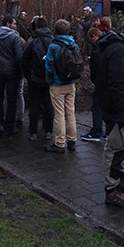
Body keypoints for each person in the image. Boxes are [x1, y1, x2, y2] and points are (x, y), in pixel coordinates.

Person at [94, 18, 124, 209]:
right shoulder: (119, 51)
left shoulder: (117, 48)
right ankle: (112, 189)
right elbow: (117, 83)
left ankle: (118, 179)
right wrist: (122, 109)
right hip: (116, 110)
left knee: (120, 146)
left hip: (116, 108)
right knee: (114, 148)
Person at [44, 19, 78, 153]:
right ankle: (72, 140)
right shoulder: (74, 45)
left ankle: (59, 142)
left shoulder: (53, 46)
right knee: (70, 112)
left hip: (57, 84)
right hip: (71, 83)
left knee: (59, 114)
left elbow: (49, 66)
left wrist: (49, 81)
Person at [0, 14, 24, 136]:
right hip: (12, 73)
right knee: (11, 99)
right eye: (14, 24)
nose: (15, 26)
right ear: (8, 24)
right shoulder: (14, 38)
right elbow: (19, 57)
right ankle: (10, 126)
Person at [21, 17, 54, 140]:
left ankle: (33, 131)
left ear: (36, 27)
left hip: (34, 78)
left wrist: (27, 75)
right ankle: (49, 130)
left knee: (34, 105)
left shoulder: (32, 42)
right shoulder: (53, 41)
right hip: (48, 78)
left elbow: (24, 60)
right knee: (48, 103)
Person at [81, 27, 106, 142]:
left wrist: (94, 79)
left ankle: (96, 132)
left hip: (101, 82)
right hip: (107, 81)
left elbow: (96, 67)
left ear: (94, 36)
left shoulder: (97, 48)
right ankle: (107, 132)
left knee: (96, 107)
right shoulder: (107, 44)